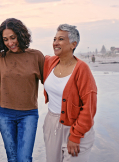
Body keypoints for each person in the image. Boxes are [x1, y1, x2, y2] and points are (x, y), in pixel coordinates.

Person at [43, 24, 97, 162]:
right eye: (54, 39)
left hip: (75, 126)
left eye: (60, 39)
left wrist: (75, 135)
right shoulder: (50, 62)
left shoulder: (82, 69)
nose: (55, 42)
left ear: (73, 44)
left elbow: (89, 107)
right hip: (52, 124)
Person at [0, 18, 45, 162]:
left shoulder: (36, 56)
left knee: (24, 158)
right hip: (4, 114)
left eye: (12, 38)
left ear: (21, 35)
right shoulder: (0, 57)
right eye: (5, 39)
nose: (10, 43)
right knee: (12, 158)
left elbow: (49, 83)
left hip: (28, 114)